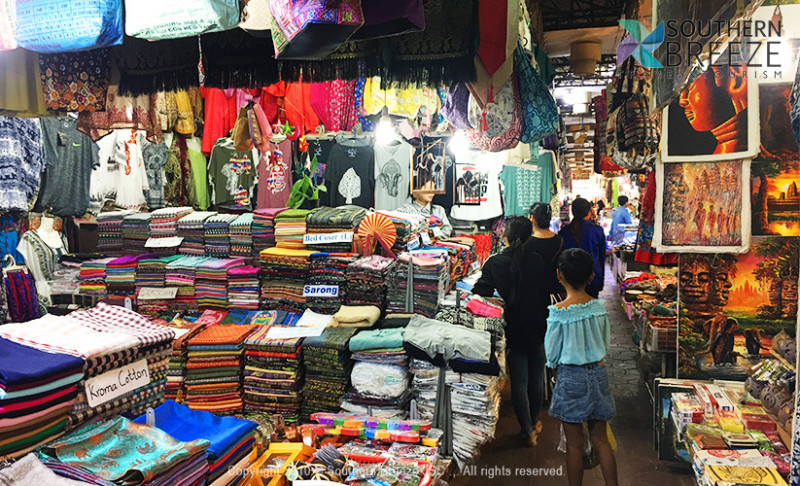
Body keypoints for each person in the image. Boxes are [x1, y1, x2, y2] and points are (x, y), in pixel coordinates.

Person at [472, 217, 550, 447]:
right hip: (538, 323)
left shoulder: (494, 262)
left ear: (505, 235)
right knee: (536, 376)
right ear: (529, 236)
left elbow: (481, 291)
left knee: (519, 380)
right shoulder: (538, 260)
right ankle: (534, 421)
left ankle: (527, 429)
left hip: (513, 325)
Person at [546, 249, 617, 486]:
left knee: (574, 446)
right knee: (602, 441)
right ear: (591, 276)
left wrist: (555, 375)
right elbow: (604, 343)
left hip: (570, 376)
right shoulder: (599, 308)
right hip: (598, 374)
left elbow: (552, 353)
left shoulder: (558, 313)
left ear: (559, 275)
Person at [559, 198, 606, 298]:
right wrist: (600, 280)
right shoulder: (597, 231)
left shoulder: (564, 231)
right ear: (588, 212)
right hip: (591, 278)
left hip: (570, 278)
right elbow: (602, 258)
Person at [527, 203, 565, 301]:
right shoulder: (560, 240)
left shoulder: (526, 243)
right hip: (555, 293)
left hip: (533, 293)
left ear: (532, 218)